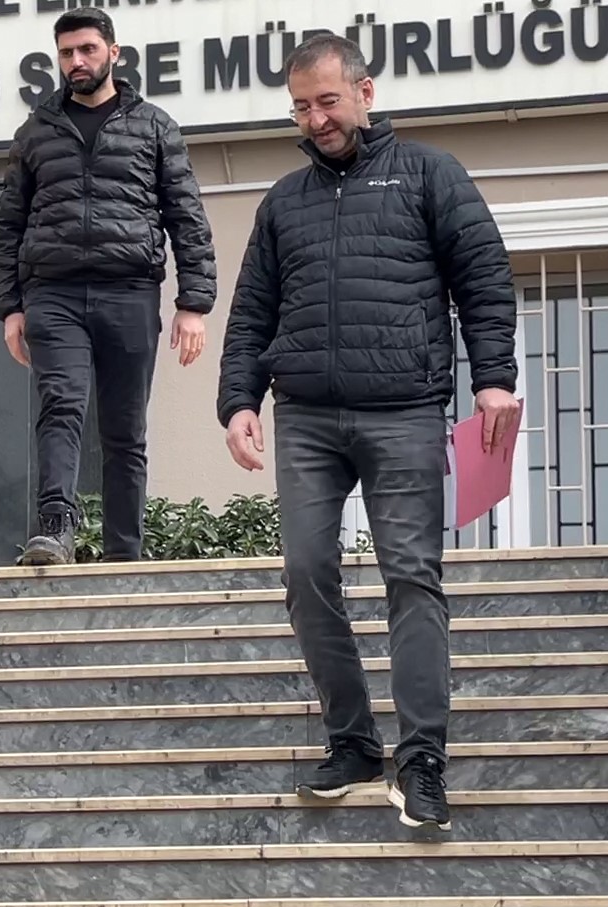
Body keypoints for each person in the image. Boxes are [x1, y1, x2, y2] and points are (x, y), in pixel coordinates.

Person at [217, 35, 519, 834]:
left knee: (411, 576)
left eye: (327, 101)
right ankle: (352, 743)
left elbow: (484, 278)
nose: (316, 119)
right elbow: (251, 313)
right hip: (307, 417)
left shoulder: (429, 173)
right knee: (306, 570)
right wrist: (238, 401)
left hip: (404, 408)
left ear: (365, 92)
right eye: (301, 107)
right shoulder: (283, 201)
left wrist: (493, 378)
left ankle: (422, 761)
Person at [0, 7, 217, 566]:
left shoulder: (155, 126)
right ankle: (55, 532)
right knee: (60, 407)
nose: (77, 61)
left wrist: (193, 303)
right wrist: (10, 307)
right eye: (67, 52)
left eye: (87, 49)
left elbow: (186, 215)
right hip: (53, 294)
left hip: (130, 290)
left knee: (124, 429)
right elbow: (8, 224)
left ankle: (124, 555)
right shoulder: (35, 132)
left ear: (113, 53)